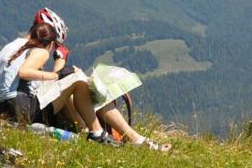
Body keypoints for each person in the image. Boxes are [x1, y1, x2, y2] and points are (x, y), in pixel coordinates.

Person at [34, 8, 171, 152]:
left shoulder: (30, 50)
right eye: (53, 44)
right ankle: (101, 134)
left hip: (45, 107)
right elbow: (53, 84)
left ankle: (133, 137)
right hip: (42, 110)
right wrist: (61, 62)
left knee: (91, 91)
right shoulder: (34, 53)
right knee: (79, 86)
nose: (51, 49)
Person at [0, 19, 120, 146]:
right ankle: (96, 132)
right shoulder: (41, 51)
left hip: (2, 108)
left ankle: (85, 129)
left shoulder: (15, 48)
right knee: (78, 80)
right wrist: (57, 75)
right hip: (22, 108)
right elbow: (24, 72)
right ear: (51, 44)